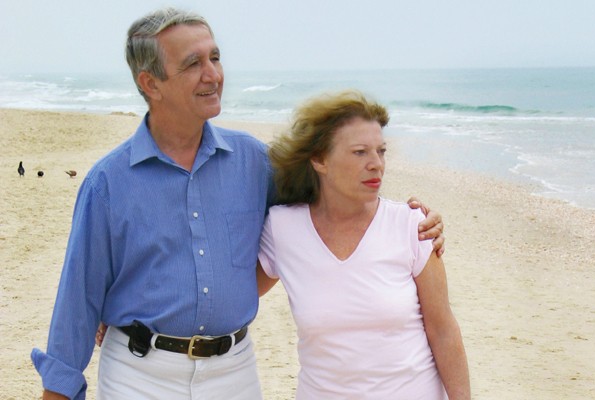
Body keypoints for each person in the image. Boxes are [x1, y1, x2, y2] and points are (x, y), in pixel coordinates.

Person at [31, 8, 444, 400]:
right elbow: (78, 298)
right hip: (139, 372)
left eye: (215, 57)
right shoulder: (107, 183)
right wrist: (59, 389)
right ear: (150, 84)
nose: (213, 74)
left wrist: (408, 220)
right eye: (193, 64)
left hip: (234, 371)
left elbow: (330, 203)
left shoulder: (255, 162)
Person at [256, 90, 470, 399]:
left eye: (381, 151)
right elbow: (237, 299)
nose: (376, 164)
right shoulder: (283, 228)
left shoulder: (413, 226)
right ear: (319, 159)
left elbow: (443, 330)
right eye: (360, 152)